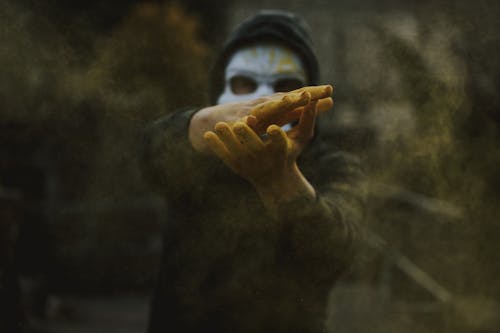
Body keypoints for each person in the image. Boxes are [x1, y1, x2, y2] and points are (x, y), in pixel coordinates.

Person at [143, 10, 365, 333]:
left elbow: (337, 247)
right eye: (244, 84)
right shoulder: (195, 156)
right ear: (220, 94)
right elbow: (149, 151)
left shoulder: (333, 165)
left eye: (286, 87)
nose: (263, 101)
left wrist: (281, 181)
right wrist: (207, 124)